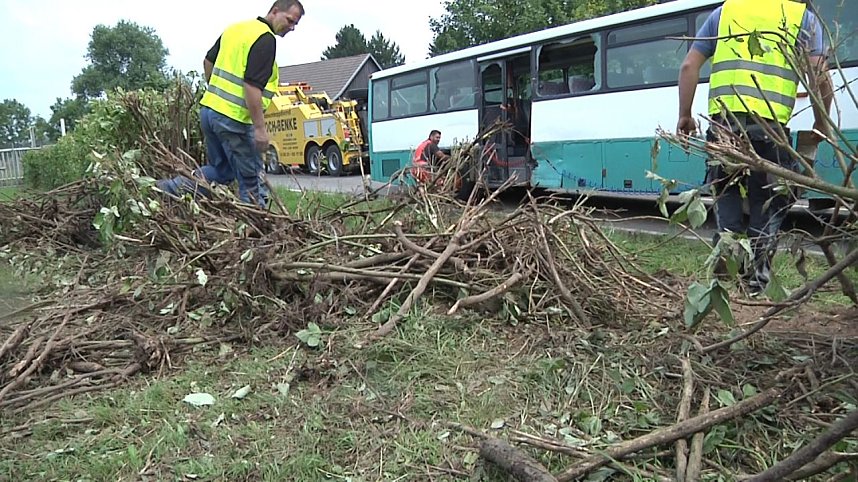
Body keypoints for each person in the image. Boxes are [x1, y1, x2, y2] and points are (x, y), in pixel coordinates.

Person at [676, 0, 833, 295]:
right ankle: (757, 283)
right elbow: (819, 73)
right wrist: (821, 122)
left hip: (724, 128)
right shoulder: (802, 18)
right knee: (769, 201)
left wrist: (684, 115)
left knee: (727, 197)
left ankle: (726, 277)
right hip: (770, 130)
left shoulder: (724, 13)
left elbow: (688, 66)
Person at [157, 0, 305, 207]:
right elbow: (252, 86)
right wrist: (260, 129)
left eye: (295, 24)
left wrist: (216, 91)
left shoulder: (236, 29)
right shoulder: (265, 39)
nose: (292, 27)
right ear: (275, 11)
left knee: (222, 171)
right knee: (251, 182)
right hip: (233, 120)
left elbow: (208, 61)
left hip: (209, 112)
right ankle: (256, 224)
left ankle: (164, 190)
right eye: (289, 21)